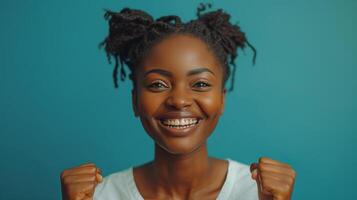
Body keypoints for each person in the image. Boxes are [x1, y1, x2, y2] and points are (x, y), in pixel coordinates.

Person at [60, 3, 296, 200]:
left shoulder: (259, 192)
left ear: (222, 99)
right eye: (158, 85)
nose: (179, 100)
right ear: (135, 100)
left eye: (201, 84)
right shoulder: (100, 195)